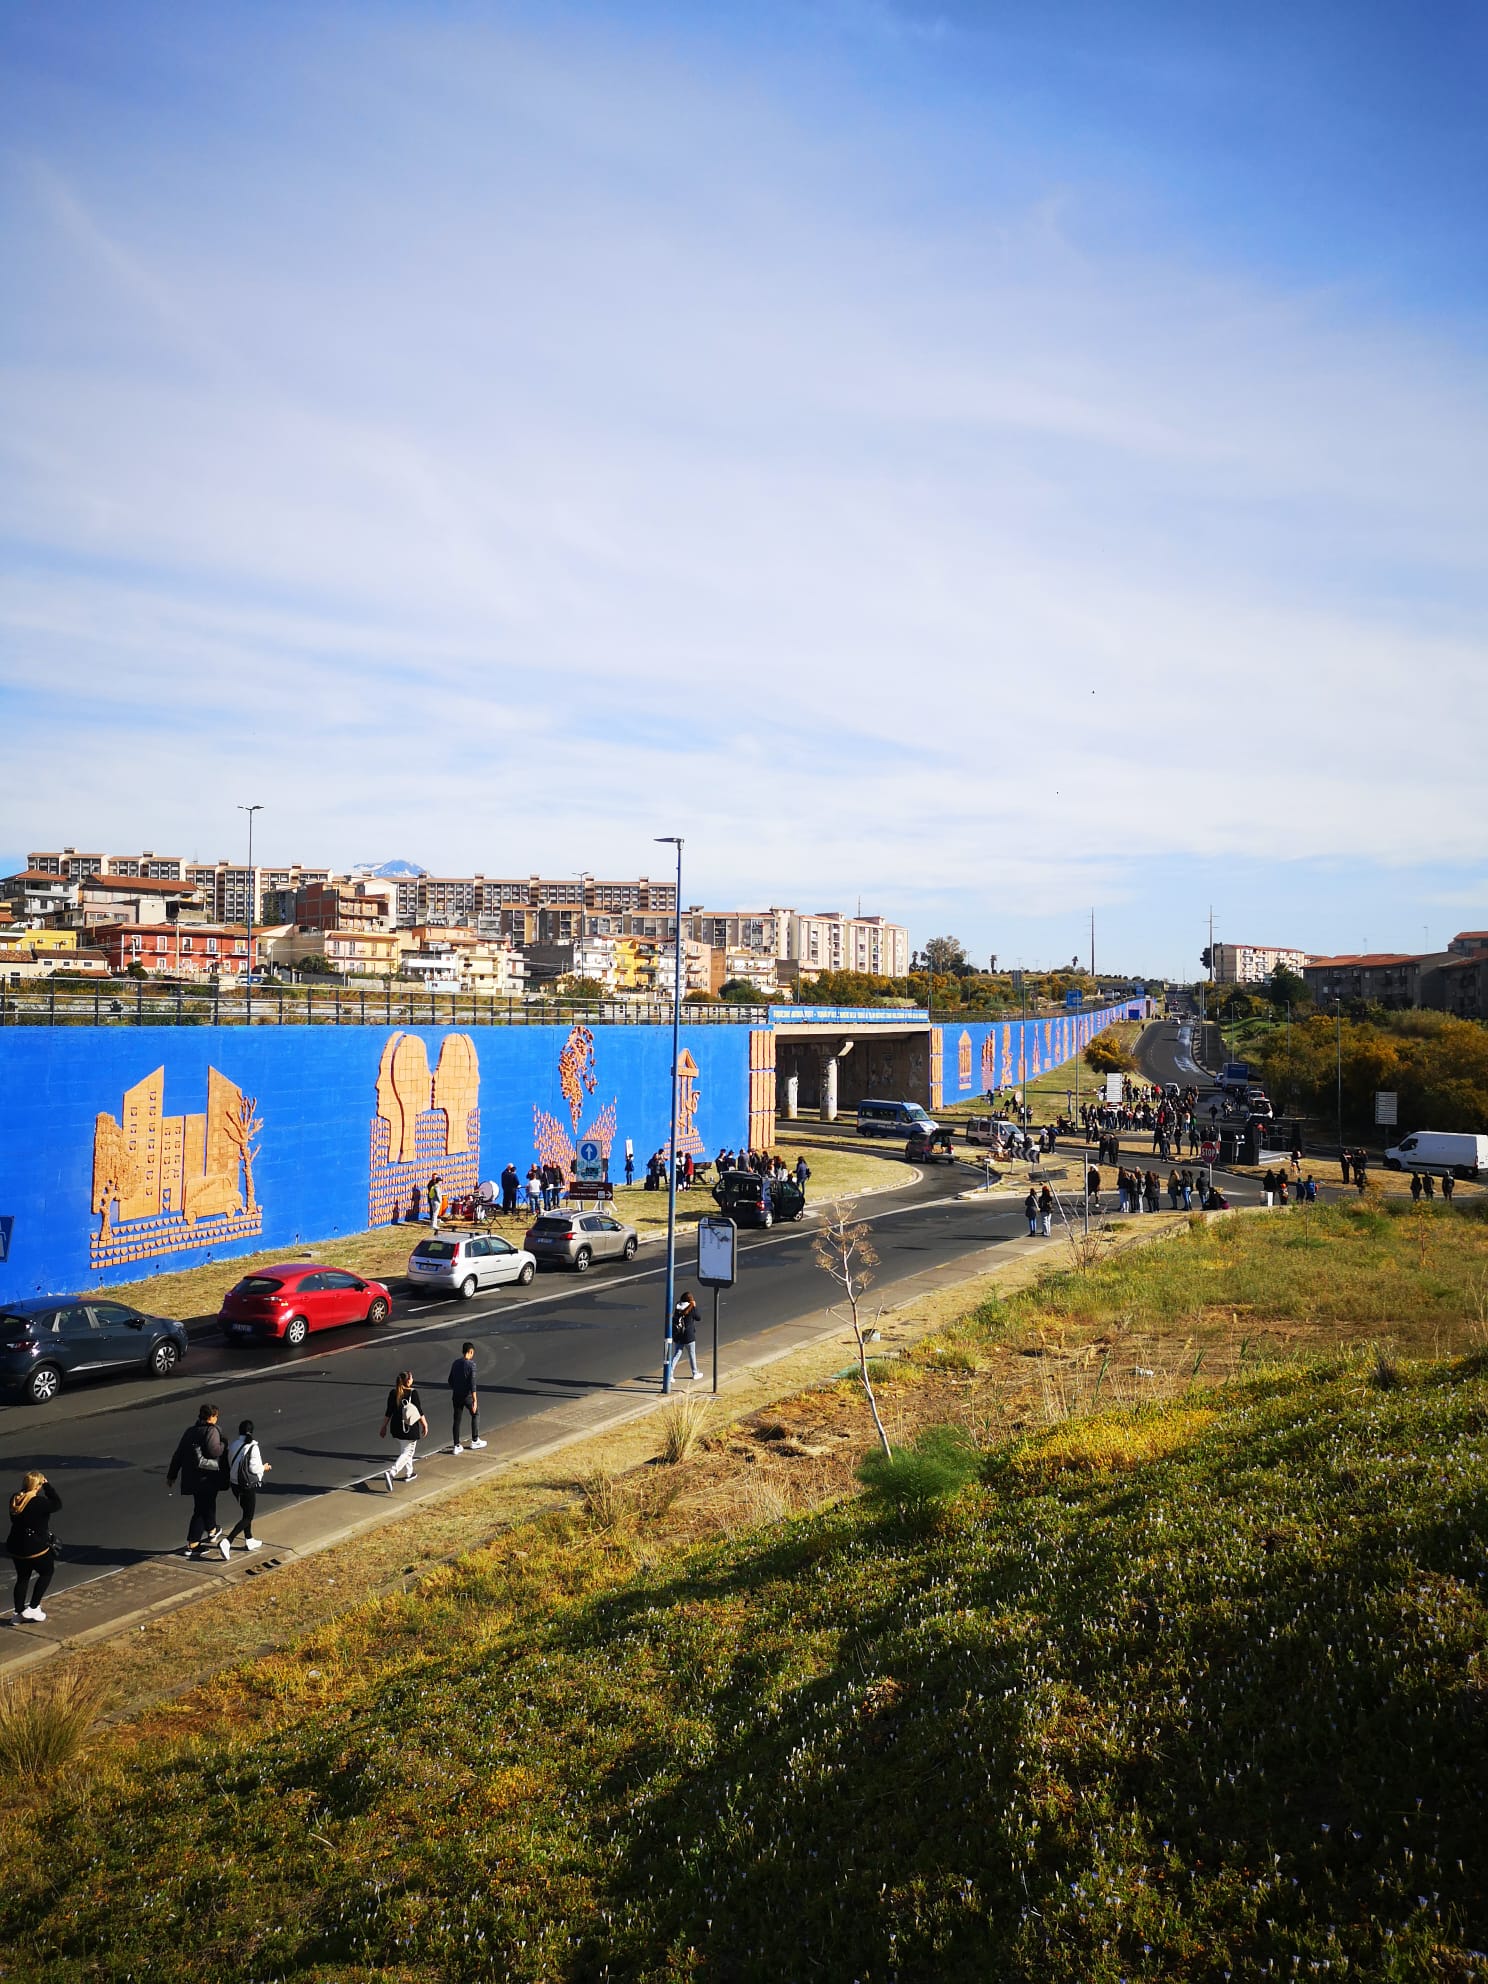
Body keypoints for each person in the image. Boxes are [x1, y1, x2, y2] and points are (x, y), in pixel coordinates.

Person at [167, 1403, 227, 1557]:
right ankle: (193, 1544)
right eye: (216, 1416)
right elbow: (214, 1451)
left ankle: (213, 1529)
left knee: (206, 1504)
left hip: (192, 1478)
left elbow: (178, 1454)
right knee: (201, 1509)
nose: (217, 1419)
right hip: (207, 1477)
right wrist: (223, 1445)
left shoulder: (190, 1431)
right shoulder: (211, 1431)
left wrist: (172, 1475)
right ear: (211, 1416)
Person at [7, 1470, 60, 1624]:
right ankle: (33, 1607)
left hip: (16, 1545)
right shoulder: (38, 1502)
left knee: (22, 1578)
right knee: (47, 1571)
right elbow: (57, 1503)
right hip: (35, 1546)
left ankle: (17, 1614)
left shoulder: (15, 1499)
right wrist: (48, 1486)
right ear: (38, 1485)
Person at [223, 1419, 269, 1554]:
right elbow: (254, 1469)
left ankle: (249, 1539)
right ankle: (227, 1541)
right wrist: (264, 1468)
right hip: (247, 1485)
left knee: (245, 1512)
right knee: (248, 1516)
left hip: (234, 1483)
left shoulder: (234, 1444)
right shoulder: (253, 1447)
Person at [380, 1372, 426, 1489]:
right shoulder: (413, 1393)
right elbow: (419, 1412)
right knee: (408, 1452)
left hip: (396, 1428)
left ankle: (409, 1473)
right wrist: (425, 1425)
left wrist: (384, 1426)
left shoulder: (393, 1392)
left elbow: (388, 1411)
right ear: (408, 1381)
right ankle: (391, 1473)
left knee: (405, 1450)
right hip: (408, 1428)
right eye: (411, 1378)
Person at [448, 1342, 486, 1454]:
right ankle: (475, 1440)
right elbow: (473, 1384)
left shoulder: (455, 1363)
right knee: (475, 1413)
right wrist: (475, 1400)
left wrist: (457, 1387)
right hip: (467, 1395)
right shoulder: (471, 1365)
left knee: (457, 1420)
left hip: (456, 1395)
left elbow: (450, 1380)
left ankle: (456, 1445)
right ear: (470, 1352)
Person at [668, 1290, 702, 1381]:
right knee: (691, 1354)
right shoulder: (691, 1308)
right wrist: (694, 1306)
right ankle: (695, 1373)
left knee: (677, 1354)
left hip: (678, 1335)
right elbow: (698, 1317)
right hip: (688, 1335)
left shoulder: (677, 1307)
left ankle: (670, 1374)